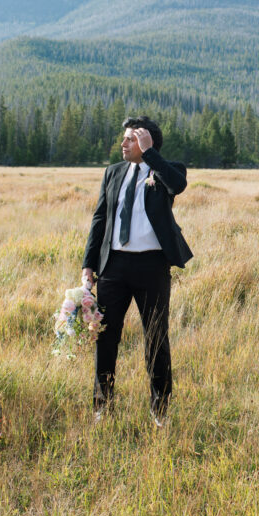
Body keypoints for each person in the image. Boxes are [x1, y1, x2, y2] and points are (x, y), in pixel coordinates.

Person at [82, 116, 193, 427]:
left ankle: (160, 410)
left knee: (156, 337)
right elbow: (100, 219)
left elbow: (178, 185)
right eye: (125, 139)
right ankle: (102, 406)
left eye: (130, 139)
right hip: (113, 267)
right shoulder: (113, 172)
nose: (123, 143)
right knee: (106, 338)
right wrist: (89, 266)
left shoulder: (167, 171)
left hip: (152, 267)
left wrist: (150, 154)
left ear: (146, 142)